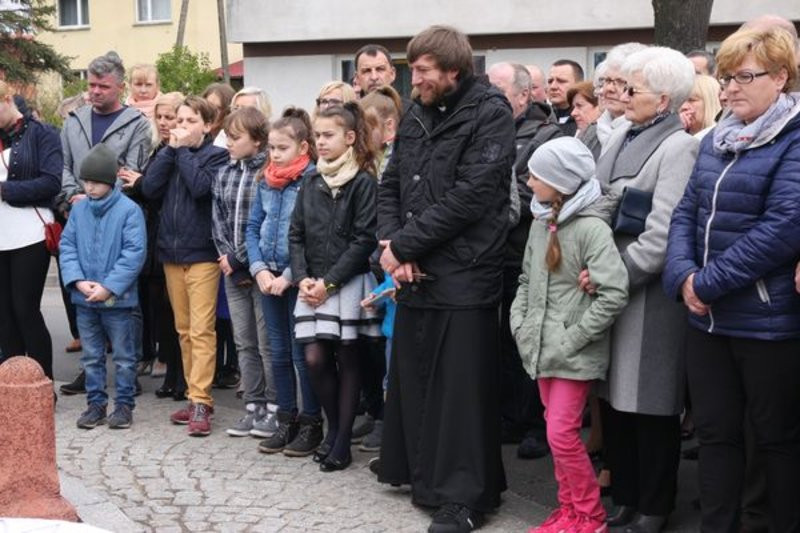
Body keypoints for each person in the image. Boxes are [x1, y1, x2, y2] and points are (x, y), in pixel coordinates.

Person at [377, 25, 514, 532]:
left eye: (423, 71)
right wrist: (392, 245)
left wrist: (406, 246)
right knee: (415, 376)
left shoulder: (491, 113)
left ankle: (464, 497)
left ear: (454, 70)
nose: (414, 80)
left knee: (461, 389)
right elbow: (392, 182)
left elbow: (472, 196)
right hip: (415, 267)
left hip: (466, 269)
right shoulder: (417, 111)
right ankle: (421, 475)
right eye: (413, 70)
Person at [663, 27, 800, 533]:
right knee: (716, 436)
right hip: (707, 321)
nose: (730, 89)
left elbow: (784, 225)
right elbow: (686, 211)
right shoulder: (718, 139)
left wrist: (707, 284)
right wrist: (683, 276)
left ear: (780, 78)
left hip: (766, 321)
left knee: (776, 440)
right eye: (725, 79)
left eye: (744, 77)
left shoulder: (794, 137)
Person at [591, 46, 698, 533]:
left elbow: (663, 234)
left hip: (647, 296)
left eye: (634, 89)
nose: (624, 95)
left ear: (664, 100)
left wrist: (610, 276)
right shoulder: (619, 136)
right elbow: (596, 199)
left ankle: (655, 505)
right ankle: (627, 497)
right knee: (615, 402)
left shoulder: (679, 147)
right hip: (607, 286)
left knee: (651, 405)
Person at [512, 136, 629, 533]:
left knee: (561, 433)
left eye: (536, 176)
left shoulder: (591, 229)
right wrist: (520, 324)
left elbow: (613, 293)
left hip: (572, 352)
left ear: (559, 182)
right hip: (541, 346)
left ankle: (589, 514)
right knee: (555, 431)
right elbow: (526, 280)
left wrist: (573, 338)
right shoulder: (541, 223)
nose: (529, 181)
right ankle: (568, 510)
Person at [289, 102, 382, 471]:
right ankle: (334, 430)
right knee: (314, 359)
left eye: (328, 135)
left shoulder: (363, 182)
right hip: (312, 283)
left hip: (345, 283)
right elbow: (296, 233)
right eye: (318, 136)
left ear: (350, 137)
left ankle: (341, 440)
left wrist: (329, 283)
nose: (321, 142)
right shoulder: (311, 181)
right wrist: (303, 278)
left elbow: (364, 240)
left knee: (348, 358)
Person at [58, 50, 152, 396]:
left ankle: (130, 369)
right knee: (85, 295)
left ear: (119, 87)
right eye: (92, 85)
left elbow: (132, 171)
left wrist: (102, 195)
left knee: (123, 295)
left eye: (103, 86)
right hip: (78, 214)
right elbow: (64, 166)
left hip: (120, 215)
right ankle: (90, 370)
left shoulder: (137, 123)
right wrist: (74, 196)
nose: (95, 91)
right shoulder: (74, 119)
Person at [141, 96, 229, 436]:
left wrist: (181, 153)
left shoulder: (216, 156)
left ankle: (202, 401)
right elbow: (150, 188)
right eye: (179, 121)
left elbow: (200, 188)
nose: (181, 127)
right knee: (183, 329)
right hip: (171, 253)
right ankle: (194, 397)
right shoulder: (170, 153)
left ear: (206, 126)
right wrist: (170, 151)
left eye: (190, 121)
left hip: (202, 253)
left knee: (202, 329)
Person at [488, 60, 563, 459]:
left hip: (525, 252)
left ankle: (536, 422)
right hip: (493, 256)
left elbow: (531, 190)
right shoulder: (486, 128)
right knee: (502, 341)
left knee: (529, 339)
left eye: (499, 91)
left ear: (523, 95)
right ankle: (509, 417)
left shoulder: (545, 134)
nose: (491, 98)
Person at [246, 107, 323, 456]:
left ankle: (311, 422)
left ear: (303, 147)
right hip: (268, 277)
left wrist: (290, 276)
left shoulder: (312, 180)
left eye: (282, 148)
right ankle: (286, 419)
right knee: (277, 352)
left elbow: (313, 235)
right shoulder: (265, 180)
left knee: (300, 352)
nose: (274, 155)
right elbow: (252, 228)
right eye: (271, 148)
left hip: (297, 279)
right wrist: (259, 269)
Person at [59, 144, 146, 429]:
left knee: (124, 356)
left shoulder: (129, 211)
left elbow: (134, 254)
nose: (89, 187)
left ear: (110, 181)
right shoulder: (79, 209)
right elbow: (67, 246)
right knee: (91, 357)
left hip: (118, 300)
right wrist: (78, 281)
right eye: (86, 181)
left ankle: (124, 406)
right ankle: (95, 405)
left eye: (95, 182)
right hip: (84, 299)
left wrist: (109, 286)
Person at [210, 107, 277, 439]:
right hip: (231, 271)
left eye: (236, 137)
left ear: (257, 140)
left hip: (260, 269)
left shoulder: (268, 173)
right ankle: (253, 405)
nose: (228, 143)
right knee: (244, 341)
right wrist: (227, 259)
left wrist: (242, 260)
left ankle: (275, 406)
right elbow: (218, 220)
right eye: (227, 136)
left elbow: (267, 225)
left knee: (267, 343)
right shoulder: (224, 173)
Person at [118, 92, 186, 400]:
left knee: (173, 310)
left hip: (171, 233)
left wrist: (139, 182)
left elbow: (156, 189)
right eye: (159, 117)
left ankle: (177, 374)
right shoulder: (157, 149)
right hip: (153, 232)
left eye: (170, 117)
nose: (164, 122)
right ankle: (169, 370)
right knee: (159, 308)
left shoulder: (179, 151)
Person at [0, 81, 61, 380]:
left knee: (25, 310)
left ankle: (41, 383)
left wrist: (4, 190)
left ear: (7, 99)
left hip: (30, 233)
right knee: (4, 315)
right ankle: (13, 387)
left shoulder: (43, 133)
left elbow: (52, 182)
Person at [595, 43, 648, 152]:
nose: (609, 88)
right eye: (607, 80)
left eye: (620, 82)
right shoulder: (592, 131)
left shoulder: (646, 134)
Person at [548, 59, 584, 136]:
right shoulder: (541, 118)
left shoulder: (587, 120)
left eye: (561, 81)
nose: (553, 86)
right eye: (550, 81)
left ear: (578, 84)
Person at [568, 81, 603, 159]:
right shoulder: (575, 136)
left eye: (579, 106)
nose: (573, 113)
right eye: (573, 107)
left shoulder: (607, 140)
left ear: (598, 105)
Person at [202, 82, 236, 148]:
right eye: (207, 106)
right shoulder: (196, 137)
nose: (210, 112)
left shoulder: (231, 144)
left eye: (218, 108)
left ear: (228, 112)